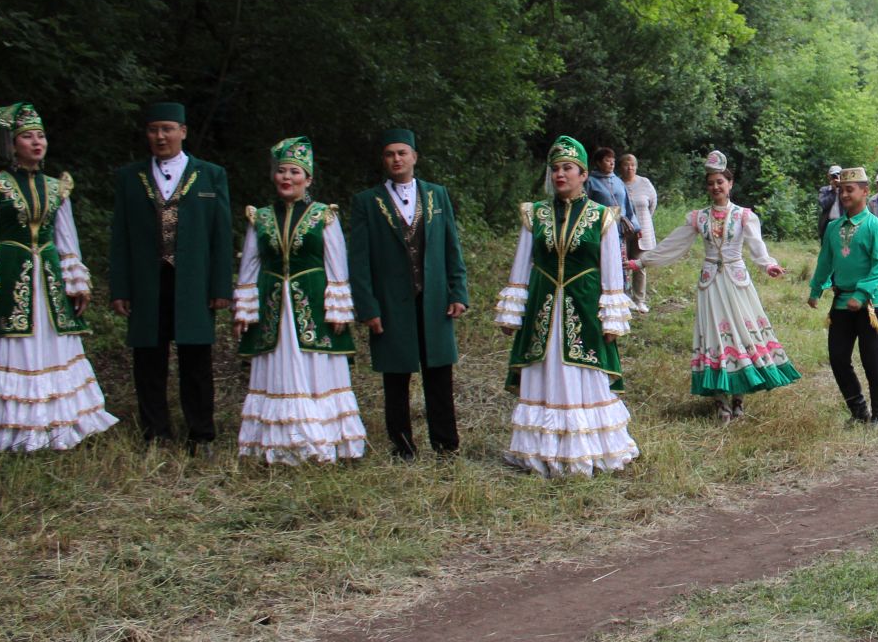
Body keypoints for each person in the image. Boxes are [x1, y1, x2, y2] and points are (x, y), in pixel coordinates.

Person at [0, 102, 117, 451]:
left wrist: (76, 280)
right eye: (28, 136)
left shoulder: (57, 186)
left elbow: (66, 239)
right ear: (13, 144)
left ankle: (57, 426)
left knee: (52, 343)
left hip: (48, 279)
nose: (36, 142)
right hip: (12, 276)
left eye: (41, 136)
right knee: (16, 344)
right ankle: (14, 430)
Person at [496, 135, 638, 476]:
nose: (561, 174)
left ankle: (586, 450)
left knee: (581, 375)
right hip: (543, 310)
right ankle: (540, 452)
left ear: (583, 174)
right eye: (556, 168)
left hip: (584, 309)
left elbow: (611, 272)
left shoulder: (602, 217)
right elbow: (521, 265)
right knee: (544, 374)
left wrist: (612, 318)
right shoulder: (536, 215)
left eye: (568, 168)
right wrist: (512, 310)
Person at [634, 150, 799, 420]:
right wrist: (642, 262)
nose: (715, 187)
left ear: (730, 183)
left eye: (720, 182)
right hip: (710, 283)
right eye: (711, 183)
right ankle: (721, 401)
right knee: (714, 336)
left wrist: (768, 264)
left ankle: (739, 399)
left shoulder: (744, 216)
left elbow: (757, 247)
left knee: (741, 335)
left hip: (736, 282)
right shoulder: (698, 217)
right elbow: (674, 244)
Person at [109, 101, 234, 453]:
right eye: (153, 129)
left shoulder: (210, 175)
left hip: (193, 281)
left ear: (183, 131)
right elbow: (120, 236)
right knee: (149, 358)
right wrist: (120, 286)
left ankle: (201, 434)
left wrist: (221, 286)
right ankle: (156, 433)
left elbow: (220, 236)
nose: (160, 136)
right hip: (148, 282)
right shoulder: (129, 178)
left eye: (167, 129)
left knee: (196, 358)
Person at [232, 137, 366, 464]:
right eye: (281, 172)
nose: (286, 178)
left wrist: (338, 309)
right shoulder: (260, 218)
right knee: (275, 368)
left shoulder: (323, 216)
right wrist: (244, 311)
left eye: (294, 172)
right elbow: (249, 266)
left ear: (308, 178)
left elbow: (337, 266)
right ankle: (277, 444)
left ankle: (321, 440)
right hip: (273, 307)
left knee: (316, 369)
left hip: (313, 306)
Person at [347, 129, 470, 460]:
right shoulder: (366, 203)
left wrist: (457, 291)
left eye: (402, 153)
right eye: (389, 154)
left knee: (439, 374)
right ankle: (402, 446)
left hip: (433, 300)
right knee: (396, 377)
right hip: (390, 302)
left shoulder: (436, 195)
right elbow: (358, 262)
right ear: (383, 160)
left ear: (415, 156)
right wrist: (367, 307)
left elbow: (450, 247)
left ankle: (446, 444)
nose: (396, 159)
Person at [810, 167, 878, 424]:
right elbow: (825, 261)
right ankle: (859, 412)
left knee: (872, 360)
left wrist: (861, 292)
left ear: (865, 192)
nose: (844, 194)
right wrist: (816, 289)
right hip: (841, 302)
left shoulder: (876, 227)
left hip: (870, 303)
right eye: (841, 190)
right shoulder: (834, 228)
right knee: (838, 358)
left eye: (850, 189)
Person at [618, 153, 658, 314]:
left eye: (633, 165)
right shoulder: (617, 183)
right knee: (622, 264)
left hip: (643, 230)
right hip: (622, 232)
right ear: (621, 167)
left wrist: (642, 221)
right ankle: (623, 297)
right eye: (627, 165)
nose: (630, 168)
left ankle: (639, 300)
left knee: (640, 264)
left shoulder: (645, 182)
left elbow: (652, 204)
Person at [816, 166, 843, 236]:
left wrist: (841, 187)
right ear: (829, 177)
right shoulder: (824, 190)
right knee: (826, 244)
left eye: (838, 175)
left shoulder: (845, 190)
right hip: (827, 223)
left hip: (842, 222)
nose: (835, 178)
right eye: (833, 176)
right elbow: (823, 204)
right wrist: (833, 191)